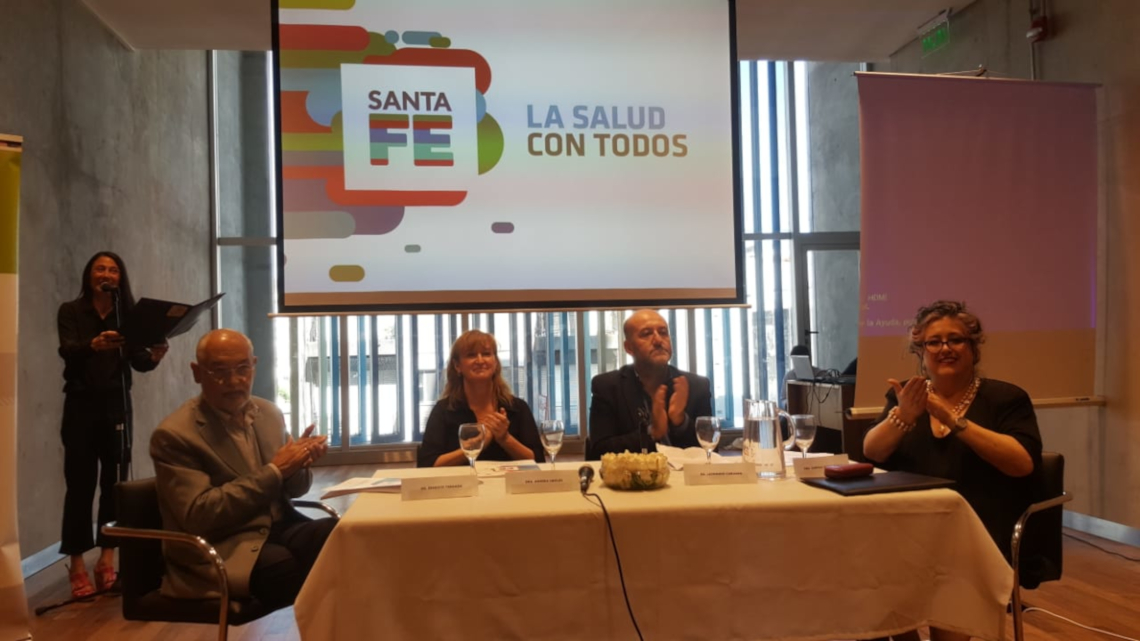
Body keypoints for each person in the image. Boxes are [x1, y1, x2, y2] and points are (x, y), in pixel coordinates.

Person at [863, 300, 1042, 641]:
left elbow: (1021, 463)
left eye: (956, 340)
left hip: (975, 532)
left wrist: (951, 418)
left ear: (973, 348)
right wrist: (904, 415)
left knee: (947, 591)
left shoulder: (1005, 398)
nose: (945, 349)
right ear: (921, 351)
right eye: (934, 342)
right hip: (908, 531)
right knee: (869, 581)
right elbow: (873, 451)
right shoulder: (908, 394)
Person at [150, 329, 333, 607]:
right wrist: (275, 471)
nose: (234, 381)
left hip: (278, 526)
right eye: (219, 371)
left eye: (242, 368)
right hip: (222, 544)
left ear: (254, 366)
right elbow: (199, 515)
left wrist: (299, 463)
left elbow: (295, 489)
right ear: (197, 373)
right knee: (286, 568)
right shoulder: (175, 435)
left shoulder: (269, 414)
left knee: (339, 537)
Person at [57, 251, 168, 598]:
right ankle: (77, 562)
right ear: (89, 275)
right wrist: (93, 345)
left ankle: (107, 558)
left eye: (113, 270)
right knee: (79, 486)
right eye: (100, 269)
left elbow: (137, 362)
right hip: (81, 406)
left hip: (118, 407)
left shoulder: (127, 316)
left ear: (121, 278)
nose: (106, 274)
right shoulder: (71, 311)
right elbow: (67, 350)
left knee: (114, 485)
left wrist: (153, 357)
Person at [587, 310, 712, 459]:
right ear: (629, 347)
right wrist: (651, 433)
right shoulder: (607, 387)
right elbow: (598, 452)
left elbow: (711, 450)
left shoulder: (697, 386)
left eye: (663, 332)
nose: (658, 340)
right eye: (646, 334)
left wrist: (681, 421)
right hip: (633, 474)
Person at [418, 330, 545, 467]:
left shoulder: (517, 408)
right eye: (471, 355)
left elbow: (539, 462)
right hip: (463, 482)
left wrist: (505, 438)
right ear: (457, 366)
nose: (480, 360)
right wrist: (476, 445)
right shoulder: (444, 410)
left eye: (486, 354)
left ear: (495, 363)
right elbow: (427, 465)